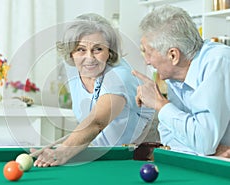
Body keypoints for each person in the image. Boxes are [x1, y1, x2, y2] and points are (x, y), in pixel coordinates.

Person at [31, 13, 154, 167]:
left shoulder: (119, 76)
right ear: (71, 53)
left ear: (109, 51)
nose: (89, 58)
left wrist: (64, 151)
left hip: (136, 155)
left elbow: (97, 121)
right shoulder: (72, 67)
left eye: (98, 49)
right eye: (81, 49)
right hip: (100, 153)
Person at [132, 5, 230, 157]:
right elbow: (169, 139)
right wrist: (208, 151)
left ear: (173, 55)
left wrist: (160, 104)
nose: (147, 62)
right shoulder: (176, 77)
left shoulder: (218, 61)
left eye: (148, 53)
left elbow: (203, 141)